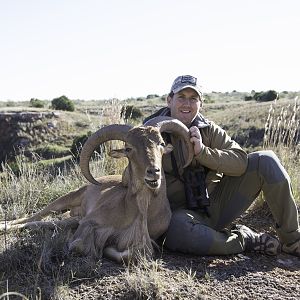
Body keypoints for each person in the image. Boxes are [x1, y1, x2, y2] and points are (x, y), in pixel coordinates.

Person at [143, 75, 300, 257]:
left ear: (201, 104)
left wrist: (202, 153)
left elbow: (241, 161)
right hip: (178, 216)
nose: (187, 104)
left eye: (193, 98)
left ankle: (292, 240)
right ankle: (245, 239)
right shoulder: (149, 132)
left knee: (266, 160)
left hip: (215, 205)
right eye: (181, 97)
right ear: (169, 100)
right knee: (178, 231)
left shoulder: (208, 129)